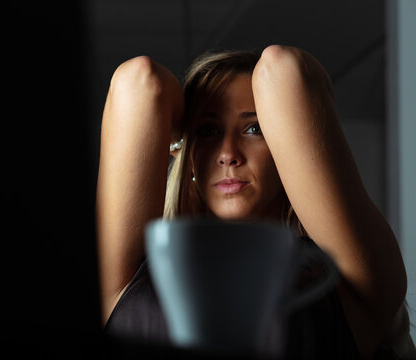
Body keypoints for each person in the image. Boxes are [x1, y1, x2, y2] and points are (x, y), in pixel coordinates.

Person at [96, 45, 415, 358]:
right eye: (208, 131)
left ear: (284, 142)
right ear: (188, 156)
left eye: (254, 128)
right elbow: (138, 81)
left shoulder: (345, 281)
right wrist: (183, 134)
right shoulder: (133, 274)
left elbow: (282, 68)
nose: (228, 155)